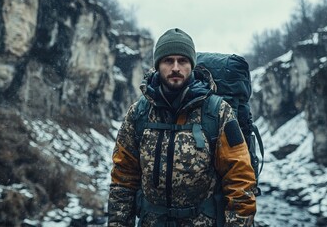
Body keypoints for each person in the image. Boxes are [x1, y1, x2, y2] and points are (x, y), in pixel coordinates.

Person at [108, 28, 256, 226]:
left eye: (183, 61)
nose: (175, 67)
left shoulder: (217, 112)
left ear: (192, 66)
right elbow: (123, 179)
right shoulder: (139, 114)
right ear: (158, 65)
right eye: (168, 60)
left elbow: (239, 180)